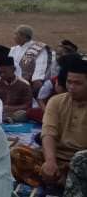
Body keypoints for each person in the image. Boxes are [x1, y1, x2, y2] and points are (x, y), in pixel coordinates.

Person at [12, 58, 87, 187]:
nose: (72, 87)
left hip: (82, 161)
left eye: (78, 83)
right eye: (69, 82)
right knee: (16, 155)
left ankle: (63, 182)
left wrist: (72, 166)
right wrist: (50, 162)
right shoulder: (55, 101)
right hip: (56, 158)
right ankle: (63, 182)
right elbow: (48, 133)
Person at [9, 25, 53, 94]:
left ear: (23, 36)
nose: (13, 36)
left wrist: (37, 80)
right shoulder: (13, 49)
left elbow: (41, 66)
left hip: (30, 85)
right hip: (12, 83)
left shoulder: (37, 49)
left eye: (16, 34)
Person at [0, 56, 33, 123]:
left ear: (13, 69)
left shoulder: (24, 84)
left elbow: (28, 105)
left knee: (22, 114)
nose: (2, 75)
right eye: (0, 72)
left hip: (16, 113)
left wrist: (9, 108)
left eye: (4, 72)